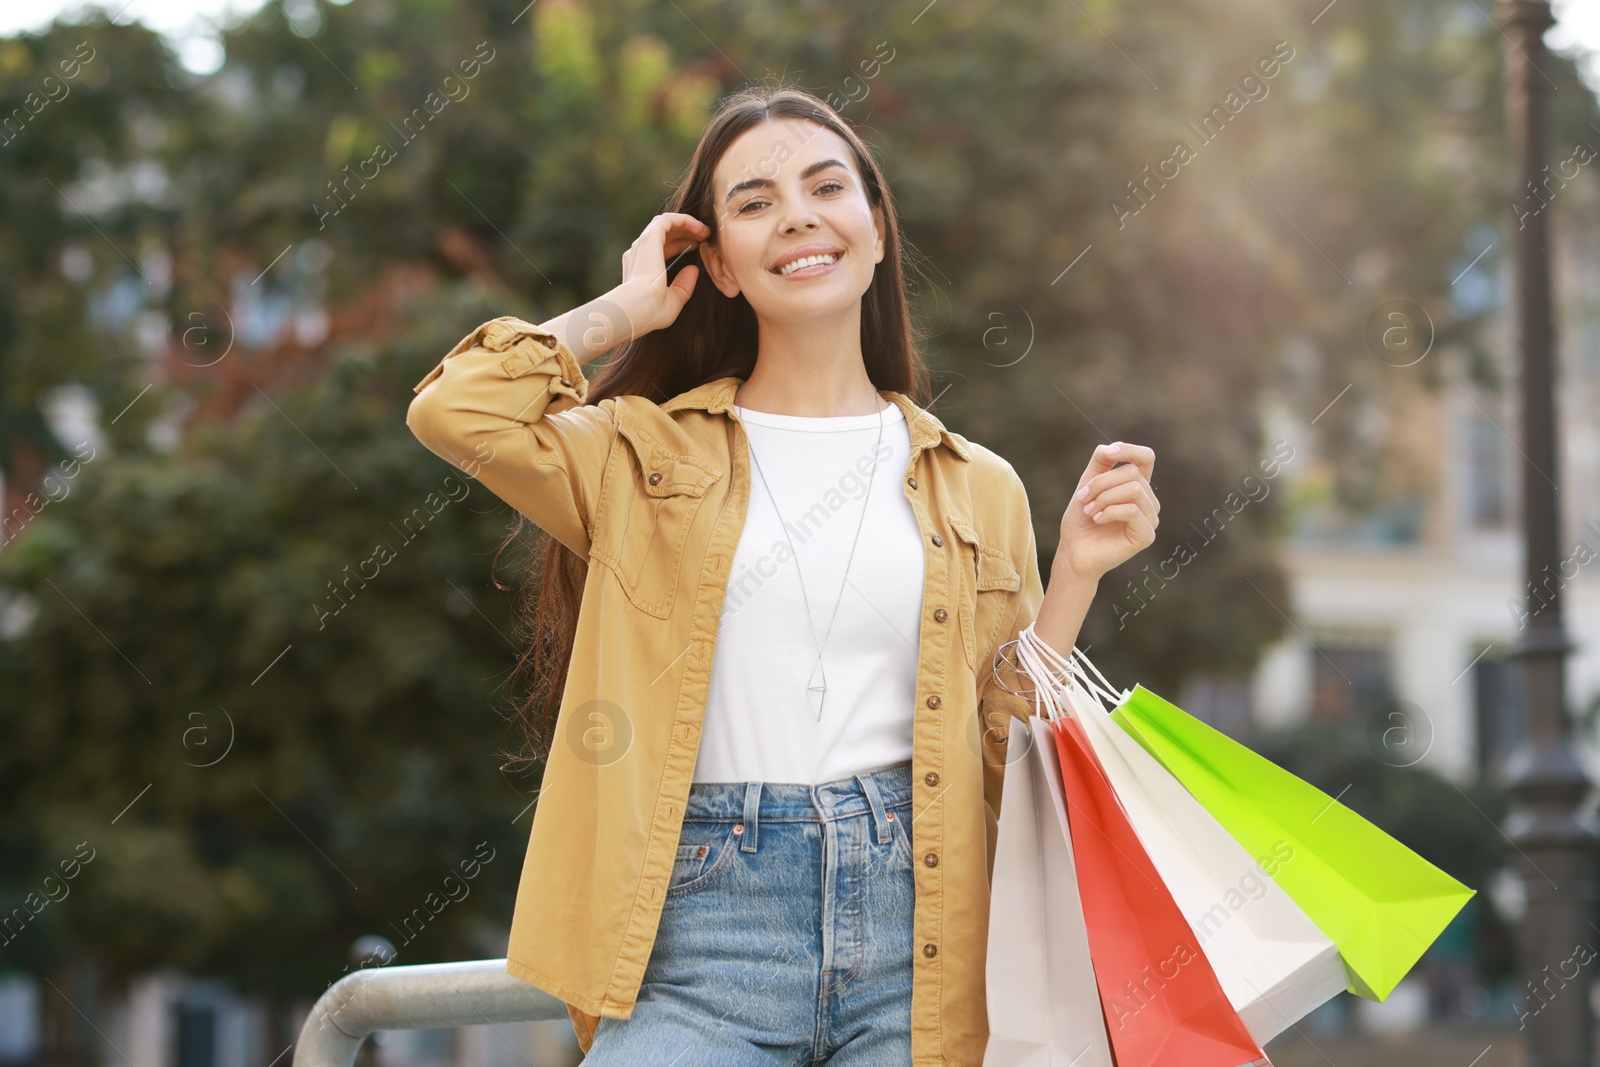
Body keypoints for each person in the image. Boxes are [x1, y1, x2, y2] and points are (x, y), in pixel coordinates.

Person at [405, 83, 1160, 1066]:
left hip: (921, 942)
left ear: (876, 228)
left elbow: (998, 763)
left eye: (824, 185)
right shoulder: (636, 453)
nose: (797, 213)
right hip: (697, 941)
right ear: (713, 259)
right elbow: (454, 412)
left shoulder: (979, 485)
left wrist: (1078, 578)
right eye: (754, 201)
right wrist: (627, 308)